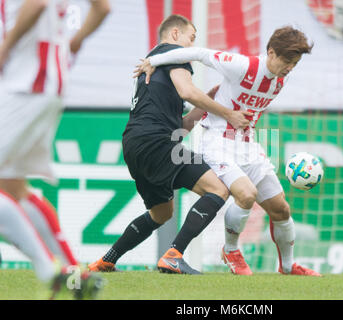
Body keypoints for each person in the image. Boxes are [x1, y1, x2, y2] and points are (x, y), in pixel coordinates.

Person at [134, 25, 322, 276]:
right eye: (287, 61)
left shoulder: (281, 79)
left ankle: (288, 267)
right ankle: (231, 250)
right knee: (246, 195)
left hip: (247, 145)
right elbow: (200, 53)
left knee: (281, 209)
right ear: (271, 52)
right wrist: (152, 61)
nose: (289, 68)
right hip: (217, 143)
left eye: (295, 63)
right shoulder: (243, 65)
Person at [88, 14, 251, 274]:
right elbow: (188, 92)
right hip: (156, 142)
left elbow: (181, 127)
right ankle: (174, 255)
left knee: (161, 213)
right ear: (175, 34)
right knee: (218, 189)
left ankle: (107, 259)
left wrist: (205, 104)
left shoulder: (152, 67)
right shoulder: (174, 53)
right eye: (191, 38)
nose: (192, 45)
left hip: (134, 143)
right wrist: (228, 113)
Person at [0, 0, 110, 298]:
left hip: (25, 86)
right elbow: (103, 8)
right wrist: (72, 44)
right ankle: (77, 275)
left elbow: (36, 3)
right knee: (13, 188)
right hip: (46, 86)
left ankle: (51, 270)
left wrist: (6, 47)